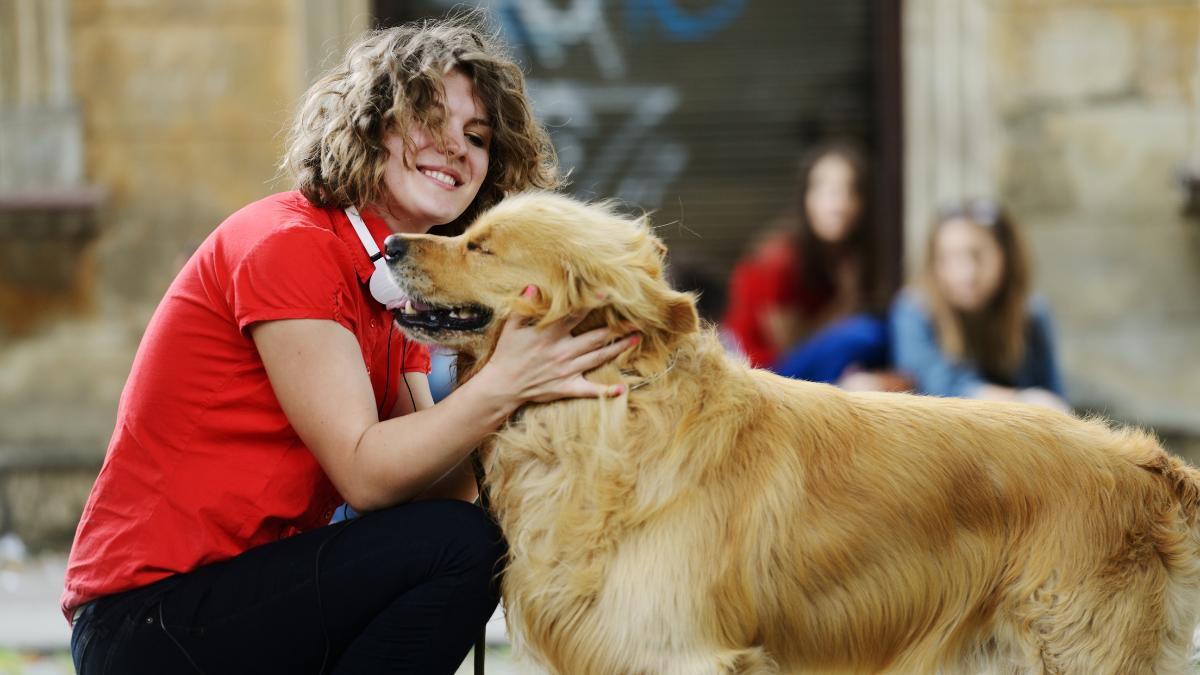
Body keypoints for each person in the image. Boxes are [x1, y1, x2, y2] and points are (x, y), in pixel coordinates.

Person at [62, 16, 638, 675]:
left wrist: (539, 395)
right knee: (458, 549)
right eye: (430, 118)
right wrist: (501, 384)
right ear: (373, 124)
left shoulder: (396, 286)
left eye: (477, 139)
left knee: (468, 539)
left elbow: (439, 490)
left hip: (235, 600)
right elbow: (368, 474)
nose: (456, 148)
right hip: (146, 620)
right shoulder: (292, 244)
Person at [722, 142, 907, 390]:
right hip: (765, 377)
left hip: (804, 369)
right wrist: (846, 299)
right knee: (865, 333)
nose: (838, 203)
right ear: (806, 198)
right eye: (826, 190)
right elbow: (789, 347)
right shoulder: (778, 258)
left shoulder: (848, 255)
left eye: (850, 191)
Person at [889, 199, 1067, 410]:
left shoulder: (1032, 312)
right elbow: (936, 385)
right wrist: (1020, 401)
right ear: (935, 262)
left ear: (1005, 257)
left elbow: (1053, 393)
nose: (967, 273)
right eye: (951, 257)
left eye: (978, 255)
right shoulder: (914, 310)